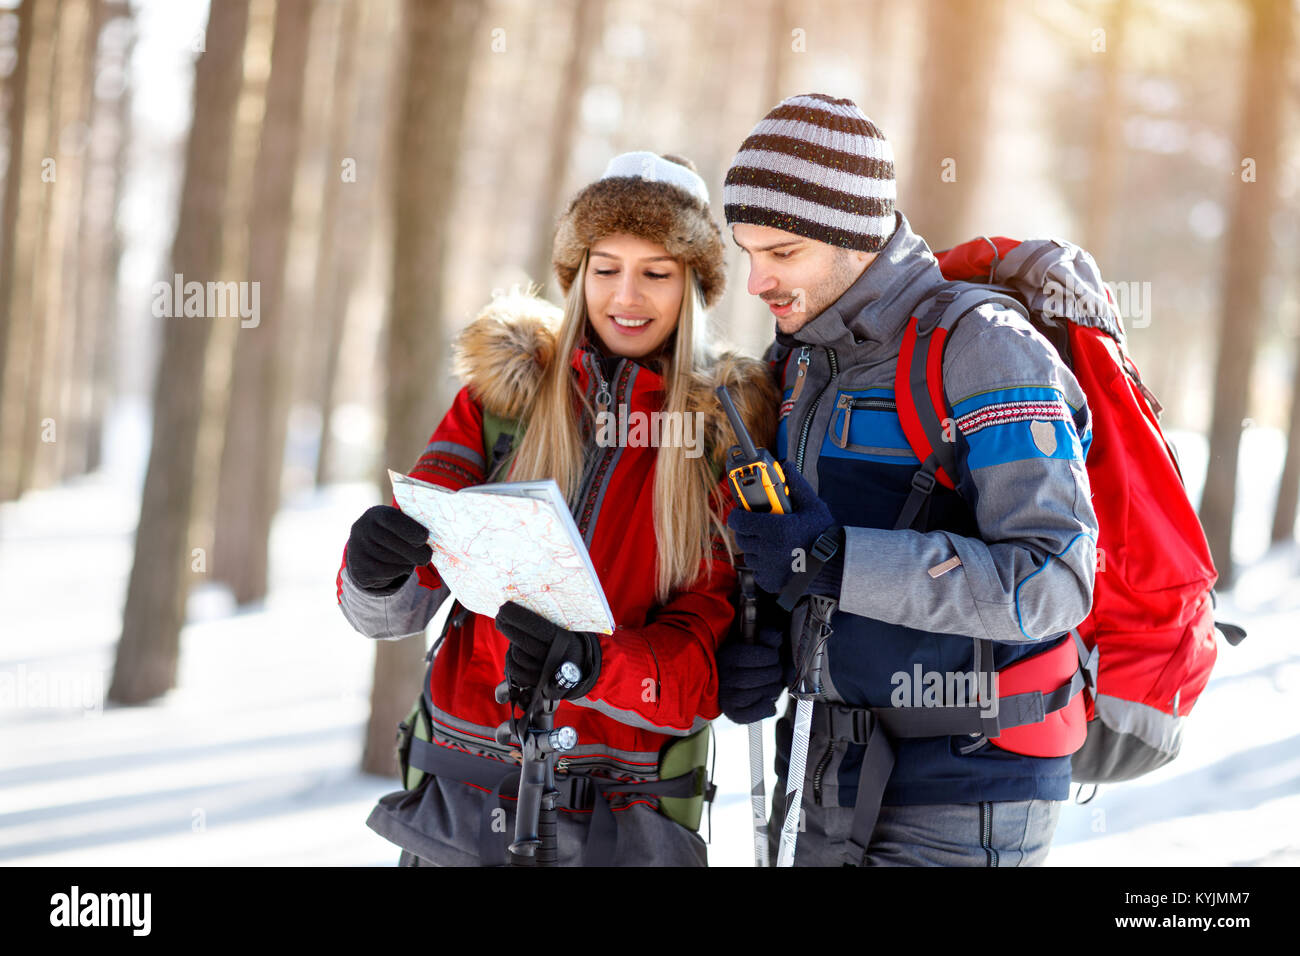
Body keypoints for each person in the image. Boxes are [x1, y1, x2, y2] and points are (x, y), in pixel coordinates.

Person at [335, 151, 777, 866]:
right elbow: (390, 614)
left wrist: (594, 666)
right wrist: (374, 571)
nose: (625, 296)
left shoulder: (724, 438)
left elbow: (698, 675)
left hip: (618, 825)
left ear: (693, 285)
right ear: (576, 277)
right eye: (604, 268)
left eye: (655, 272)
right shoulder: (503, 401)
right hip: (459, 810)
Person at [715, 93, 1099, 866]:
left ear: (853, 236)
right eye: (746, 251)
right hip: (826, 771)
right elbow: (801, 558)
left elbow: (1055, 579)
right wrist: (764, 651)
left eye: (781, 253)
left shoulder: (985, 350)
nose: (755, 282)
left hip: (965, 786)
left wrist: (839, 559)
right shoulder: (802, 359)